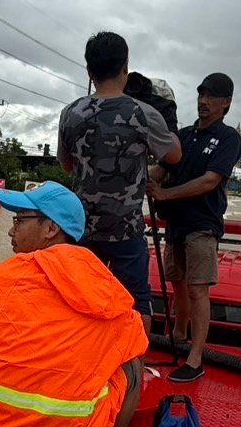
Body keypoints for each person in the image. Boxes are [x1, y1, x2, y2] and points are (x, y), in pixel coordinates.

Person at [0, 181, 147, 427]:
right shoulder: (107, 286)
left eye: (19, 220)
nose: (11, 230)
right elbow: (136, 340)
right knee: (133, 363)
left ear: (51, 229)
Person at [58, 31, 181, 319]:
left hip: (81, 229)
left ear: (89, 71)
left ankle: (87, 360)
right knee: (135, 303)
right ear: (126, 67)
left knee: (82, 301)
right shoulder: (144, 113)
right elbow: (174, 155)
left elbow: (66, 166)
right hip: (126, 229)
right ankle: (133, 364)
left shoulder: (70, 113)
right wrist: (166, 117)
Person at [147, 72, 241, 383]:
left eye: (212, 96)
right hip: (176, 223)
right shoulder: (185, 136)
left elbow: (210, 180)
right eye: (201, 94)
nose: (204, 101)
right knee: (178, 284)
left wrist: (164, 194)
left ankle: (196, 358)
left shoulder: (228, 138)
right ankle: (178, 334)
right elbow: (162, 168)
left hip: (203, 225)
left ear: (226, 103)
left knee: (198, 289)